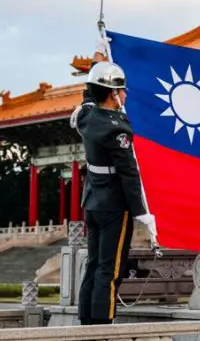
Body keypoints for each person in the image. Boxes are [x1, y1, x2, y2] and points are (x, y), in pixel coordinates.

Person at [70, 38, 157, 325]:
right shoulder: (117, 128)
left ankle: (86, 320)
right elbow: (129, 173)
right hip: (113, 206)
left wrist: (98, 60)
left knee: (93, 265)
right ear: (113, 94)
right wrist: (142, 211)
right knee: (111, 267)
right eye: (122, 90)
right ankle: (104, 323)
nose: (126, 95)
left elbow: (87, 97)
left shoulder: (86, 117)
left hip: (93, 202)